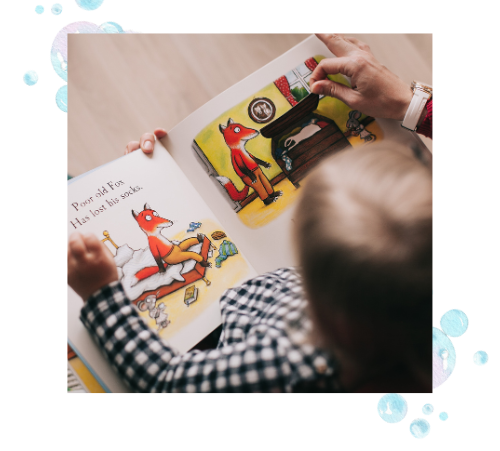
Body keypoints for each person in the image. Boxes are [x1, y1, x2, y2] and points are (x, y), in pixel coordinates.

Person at [67, 33, 433, 394]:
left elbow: (167, 381)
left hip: (204, 342)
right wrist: (410, 105)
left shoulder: (291, 359)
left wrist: (103, 296)